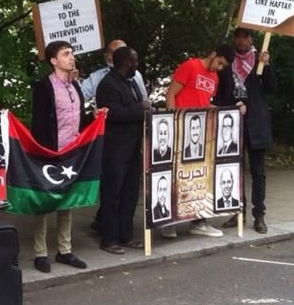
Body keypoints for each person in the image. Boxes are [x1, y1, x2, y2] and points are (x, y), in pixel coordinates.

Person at [30, 40, 95, 273]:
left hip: (72, 151)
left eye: (72, 53)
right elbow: (38, 123)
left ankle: (64, 250)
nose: (71, 57)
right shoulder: (43, 87)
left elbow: (79, 118)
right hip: (50, 152)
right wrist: (42, 152)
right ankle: (40, 252)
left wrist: (95, 117)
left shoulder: (75, 86)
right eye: (66, 54)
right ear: (53, 60)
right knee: (45, 201)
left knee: (67, 199)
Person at [162, 44, 233, 239]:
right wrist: (173, 123)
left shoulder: (214, 78)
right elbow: (171, 94)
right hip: (181, 128)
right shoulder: (191, 66)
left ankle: (197, 220)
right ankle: (169, 221)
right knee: (177, 175)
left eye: (223, 66)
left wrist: (220, 110)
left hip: (200, 133)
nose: (219, 68)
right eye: (219, 62)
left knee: (197, 176)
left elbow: (202, 102)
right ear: (213, 54)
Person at [213, 27, 275, 234]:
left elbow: (272, 87)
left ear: (251, 39)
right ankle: (239, 211)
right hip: (232, 124)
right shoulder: (227, 61)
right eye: (238, 37)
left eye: (245, 37)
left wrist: (267, 66)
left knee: (258, 172)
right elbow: (220, 92)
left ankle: (259, 215)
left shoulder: (260, 59)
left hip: (256, 123)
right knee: (234, 170)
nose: (241, 41)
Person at [96, 47, 149, 254]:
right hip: (115, 149)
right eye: (135, 62)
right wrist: (141, 109)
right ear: (127, 63)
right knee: (112, 194)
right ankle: (108, 238)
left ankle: (126, 235)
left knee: (130, 193)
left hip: (132, 146)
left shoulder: (132, 82)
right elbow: (114, 113)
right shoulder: (108, 85)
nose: (137, 65)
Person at [80, 39, 148, 104]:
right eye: (110, 52)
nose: (113, 56)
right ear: (106, 55)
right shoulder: (96, 77)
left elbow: (144, 101)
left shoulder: (135, 75)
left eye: (118, 53)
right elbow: (79, 97)